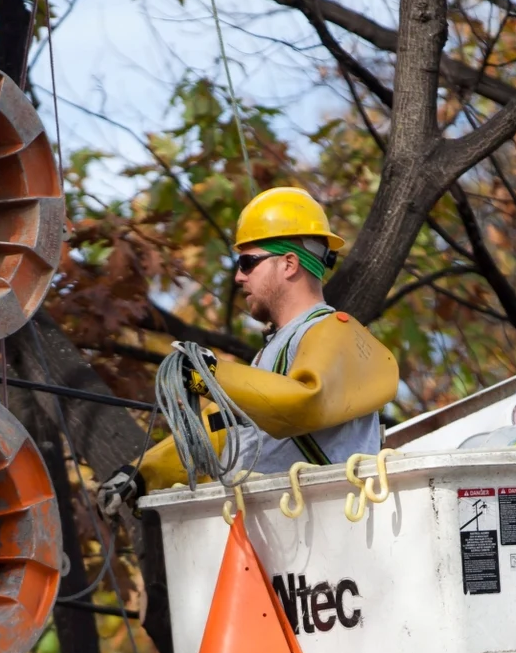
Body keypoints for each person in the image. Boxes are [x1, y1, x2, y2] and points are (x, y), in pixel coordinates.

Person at [97, 187, 398, 515]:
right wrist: (142, 473)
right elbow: (220, 430)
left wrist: (209, 373)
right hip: (279, 536)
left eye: (247, 262)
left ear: (288, 264)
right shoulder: (270, 357)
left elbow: (306, 400)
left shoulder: (336, 332)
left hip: (330, 533)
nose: (238, 276)